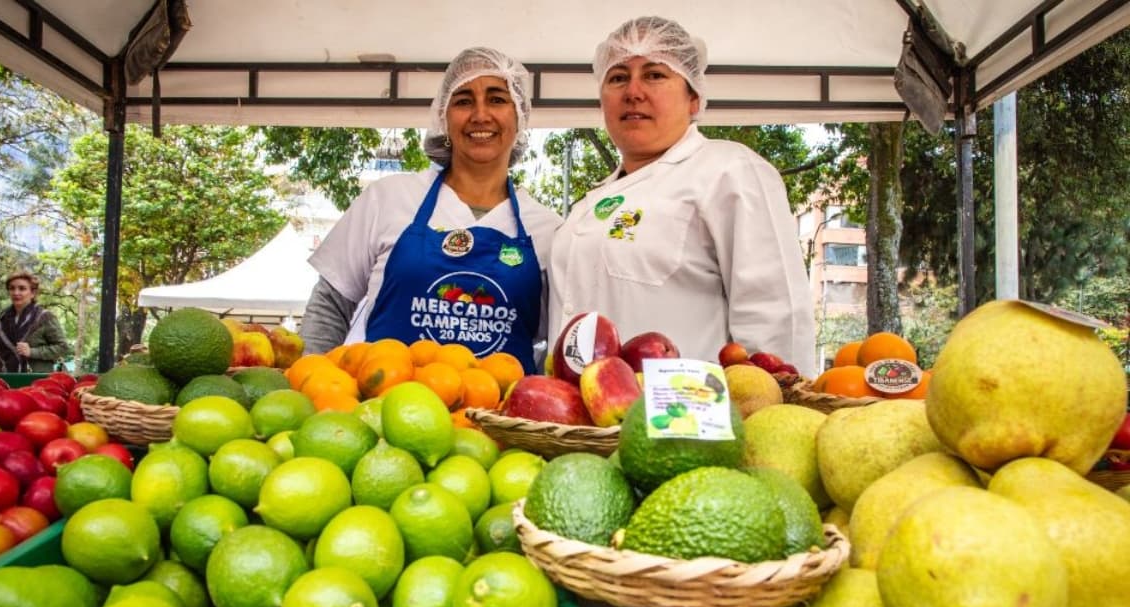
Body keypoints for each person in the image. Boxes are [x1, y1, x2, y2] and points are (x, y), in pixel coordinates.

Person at [548, 16, 816, 376]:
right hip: (582, 424)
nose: (633, 92)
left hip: (681, 423)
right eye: (618, 77)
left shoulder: (729, 171)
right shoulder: (589, 205)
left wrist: (771, 413)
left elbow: (776, 318)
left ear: (694, 98)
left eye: (655, 74)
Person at [303, 47, 562, 374]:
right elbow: (329, 306)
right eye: (464, 100)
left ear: (520, 115)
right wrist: (312, 386)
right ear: (443, 115)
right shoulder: (390, 198)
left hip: (502, 423)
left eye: (497, 99)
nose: (480, 115)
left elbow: (555, 342)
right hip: (386, 414)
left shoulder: (549, 230)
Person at [0, 271, 68, 373]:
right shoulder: (1, 320)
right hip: (6, 377)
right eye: (12, 288)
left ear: (33, 293)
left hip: (36, 379)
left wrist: (32, 352)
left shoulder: (45, 317)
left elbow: (62, 347)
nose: (16, 293)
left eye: (22, 288)